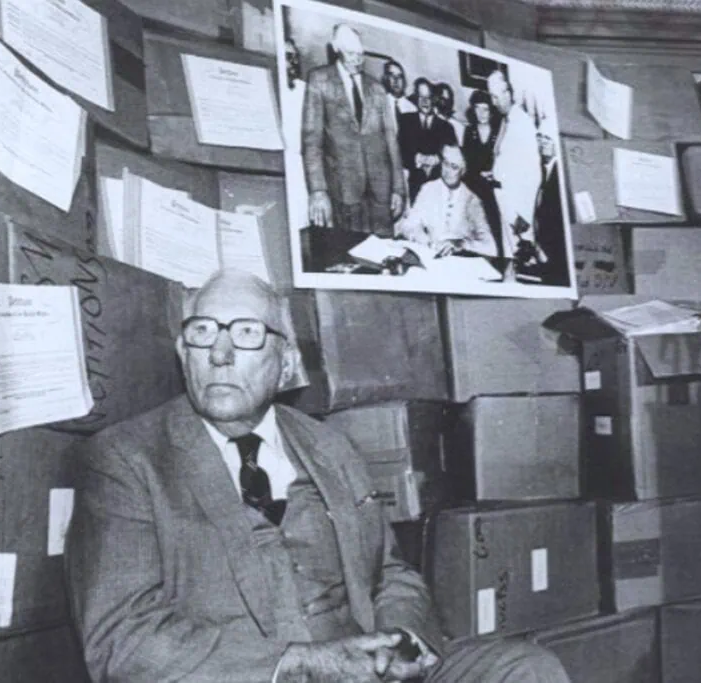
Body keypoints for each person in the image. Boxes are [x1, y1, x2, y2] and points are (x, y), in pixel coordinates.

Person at [65, 270, 573, 683]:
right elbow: (121, 638)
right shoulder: (126, 460)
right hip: (249, 677)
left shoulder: (328, 445)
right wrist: (300, 664)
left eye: (246, 333)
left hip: (366, 671)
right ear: (183, 352)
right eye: (202, 332)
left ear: (284, 363)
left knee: (526, 670)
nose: (219, 354)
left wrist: (401, 640)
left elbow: (391, 574)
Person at [302, 24, 405, 236]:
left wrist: (398, 188)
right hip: (343, 188)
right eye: (351, 54)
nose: (357, 60)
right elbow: (312, 141)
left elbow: (390, 140)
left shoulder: (376, 87)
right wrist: (318, 191)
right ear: (336, 49)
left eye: (360, 54)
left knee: (385, 254)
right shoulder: (319, 80)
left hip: (381, 190)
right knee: (351, 251)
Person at [396, 144, 497, 257]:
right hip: (430, 254)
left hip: (460, 262)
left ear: (463, 171)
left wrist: (461, 244)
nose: (447, 171)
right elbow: (409, 225)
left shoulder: (471, 199)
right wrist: (425, 240)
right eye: (445, 163)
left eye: (454, 167)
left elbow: (490, 246)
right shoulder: (429, 189)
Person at [486, 70, 541, 266]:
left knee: (524, 260)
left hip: (518, 207)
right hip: (505, 200)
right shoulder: (504, 122)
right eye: (491, 96)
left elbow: (533, 172)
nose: (493, 102)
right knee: (510, 257)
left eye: (495, 96)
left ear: (508, 93)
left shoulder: (522, 123)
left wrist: (523, 215)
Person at [398, 78, 457, 204]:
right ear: (416, 98)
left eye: (428, 97)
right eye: (421, 97)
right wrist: (417, 159)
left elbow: (454, 158)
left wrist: (437, 159)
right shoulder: (405, 121)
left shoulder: (446, 127)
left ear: (434, 99)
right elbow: (398, 151)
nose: (425, 102)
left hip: (439, 187)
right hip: (413, 186)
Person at [462, 89, 503, 257]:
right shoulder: (469, 131)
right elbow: (467, 162)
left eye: (485, 109)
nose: (482, 113)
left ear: (491, 110)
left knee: (496, 223)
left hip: (496, 184)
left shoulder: (499, 131)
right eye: (478, 108)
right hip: (475, 184)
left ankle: (499, 254)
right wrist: (479, 175)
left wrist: (494, 173)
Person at [532, 123, 570, 286]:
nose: (543, 143)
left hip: (555, 252)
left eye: (548, 139)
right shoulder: (540, 168)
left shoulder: (561, 173)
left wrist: (545, 251)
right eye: (540, 138)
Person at [382, 59, 418, 125]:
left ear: (403, 80)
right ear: (386, 78)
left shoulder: (412, 108)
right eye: (392, 76)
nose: (396, 80)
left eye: (399, 76)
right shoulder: (381, 104)